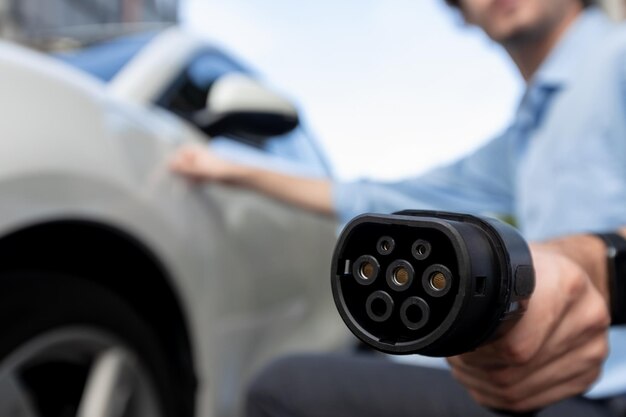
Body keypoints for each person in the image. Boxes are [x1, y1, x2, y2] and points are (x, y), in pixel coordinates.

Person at [169, 0, 626, 414]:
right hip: (556, 390)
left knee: (283, 390)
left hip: (608, 390)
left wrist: (594, 263)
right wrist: (235, 171)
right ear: (463, 14)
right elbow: (382, 199)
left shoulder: (617, 57)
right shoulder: (521, 138)